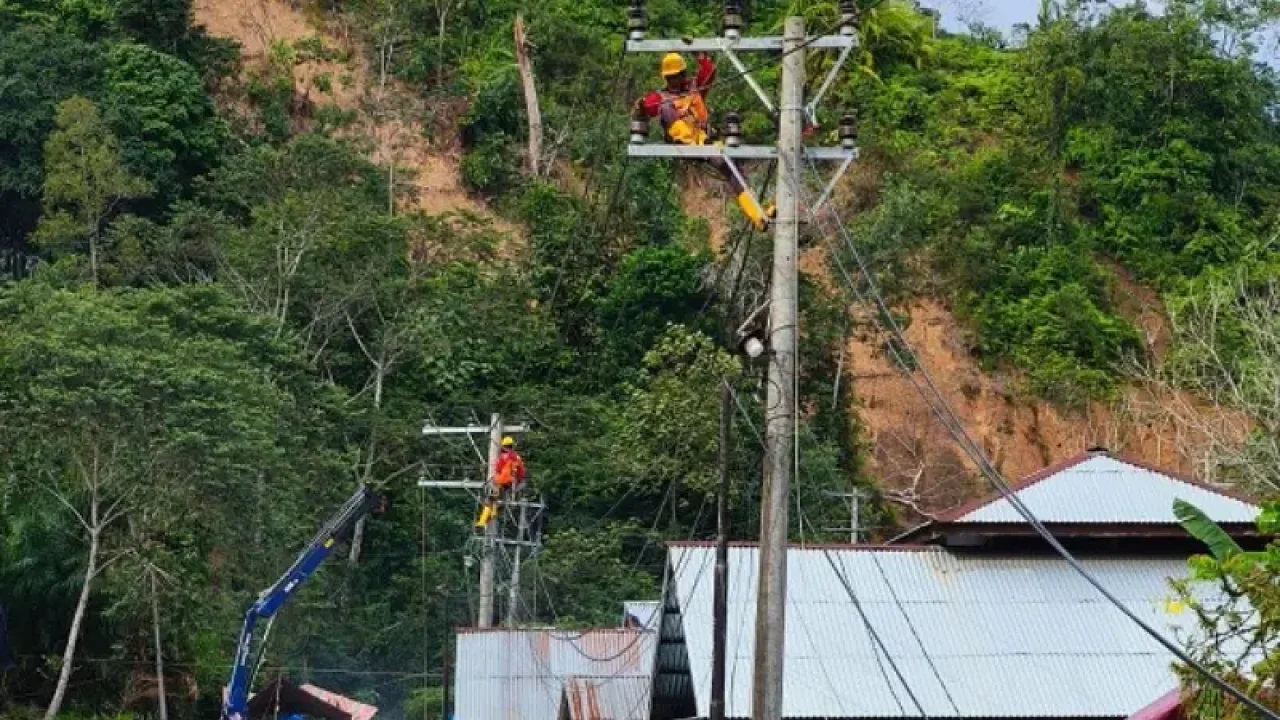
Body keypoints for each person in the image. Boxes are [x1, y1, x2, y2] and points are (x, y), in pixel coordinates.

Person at [634, 52, 774, 232]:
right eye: (671, 77)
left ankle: (758, 216)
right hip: (682, 143)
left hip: (705, 141)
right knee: (667, 108)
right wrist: (641, 106)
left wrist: (699, 54)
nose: (675, 80)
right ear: (666, 78)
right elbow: (646, 106)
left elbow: (709, 71)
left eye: (678, 76)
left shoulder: (695, 88)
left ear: (684, 74)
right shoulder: (661, 97)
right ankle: (688, 142)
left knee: (732, 168)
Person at [475, 435, 526, 529]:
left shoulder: (503, 457)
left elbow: (498, 469)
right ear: (512, 445)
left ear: (504, 446)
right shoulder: (518, 458)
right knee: (500, 500)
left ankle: (482, 521)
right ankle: (494, 512)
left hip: (500, 482)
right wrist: (518, 483)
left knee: (489, 499)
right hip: (511, 484)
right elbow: (521, 473)